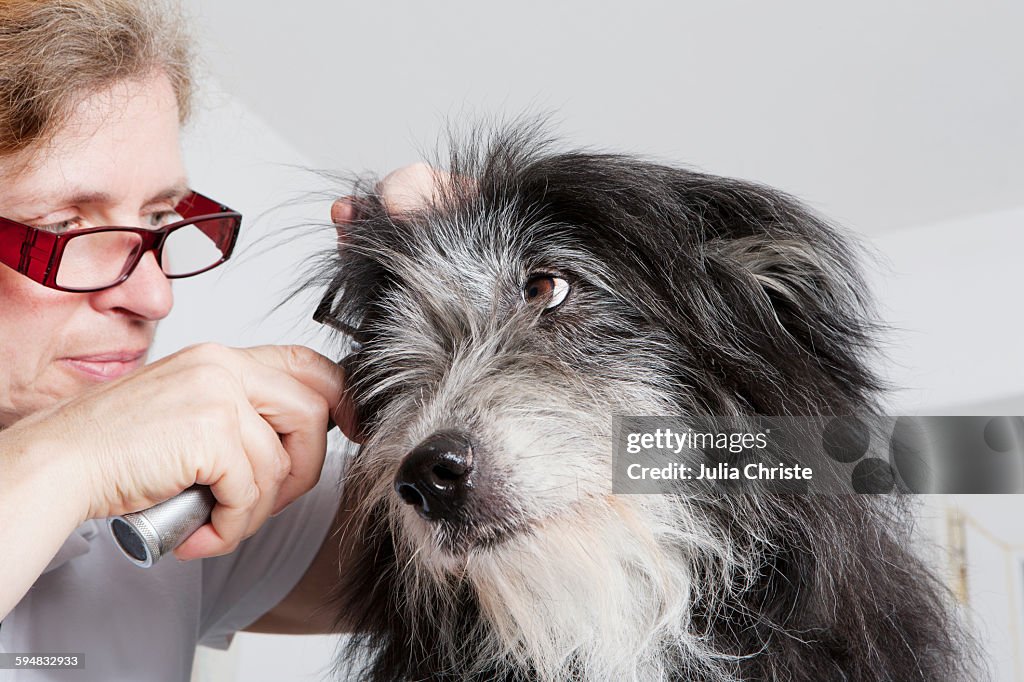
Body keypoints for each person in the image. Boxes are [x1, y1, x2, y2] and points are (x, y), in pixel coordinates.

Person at [0, 1, 439, 678]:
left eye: (157, 215)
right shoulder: (95, 462)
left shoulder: (157, 514)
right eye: (63, 227)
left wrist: (533, 317)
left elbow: (659, 478)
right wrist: (66, 459)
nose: (155, 296)